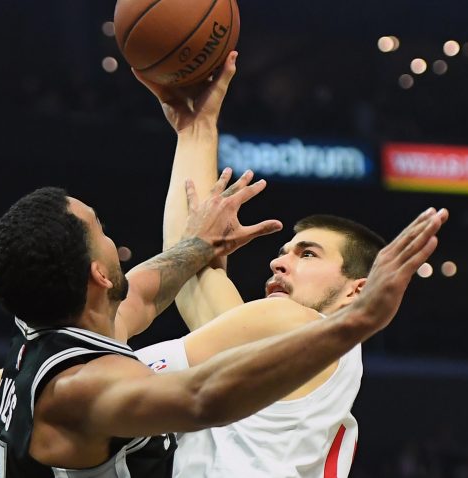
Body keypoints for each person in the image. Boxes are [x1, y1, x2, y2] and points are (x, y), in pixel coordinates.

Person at [0, 175, 447, 476]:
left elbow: (154, 286)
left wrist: (196, 118)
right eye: (100, 228)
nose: (280, 262)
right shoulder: (83, 386)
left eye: (305, 253)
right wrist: (360, 320)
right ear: (99, 274)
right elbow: (199, 399)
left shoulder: (56, 335)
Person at [132, 50, 384, 477]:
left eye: (307, 254)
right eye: (283, 251)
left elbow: (115, 377)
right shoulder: (283, 351)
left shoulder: (295, 323)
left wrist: (7, 384)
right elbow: (187, 269)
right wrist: (196, 129)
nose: (279, 262)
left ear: (355, 290)